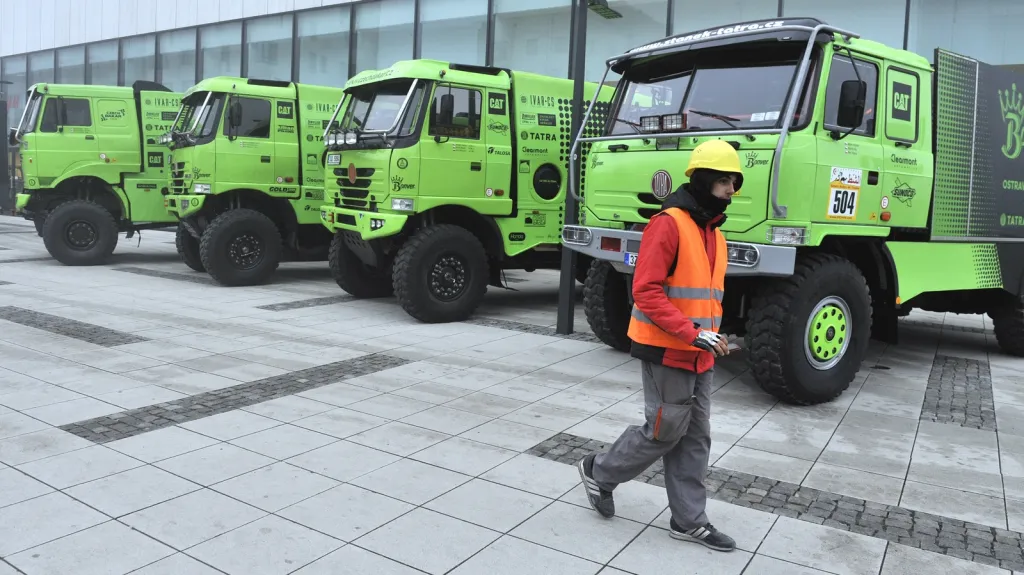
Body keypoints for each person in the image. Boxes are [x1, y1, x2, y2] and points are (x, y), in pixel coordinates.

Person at [577, 139, 742, 552]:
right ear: (703, 180)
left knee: (696, 436)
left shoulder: (714, 232)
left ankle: (688, 520)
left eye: (735, 182)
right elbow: (646, 292)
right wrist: (692, 332)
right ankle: (599, 470)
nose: (731, 190)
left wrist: (715, 335)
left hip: (700, 351)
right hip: (667, 348)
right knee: (664, 432)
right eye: (724, 181)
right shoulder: (668, 224)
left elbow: (705, 297)